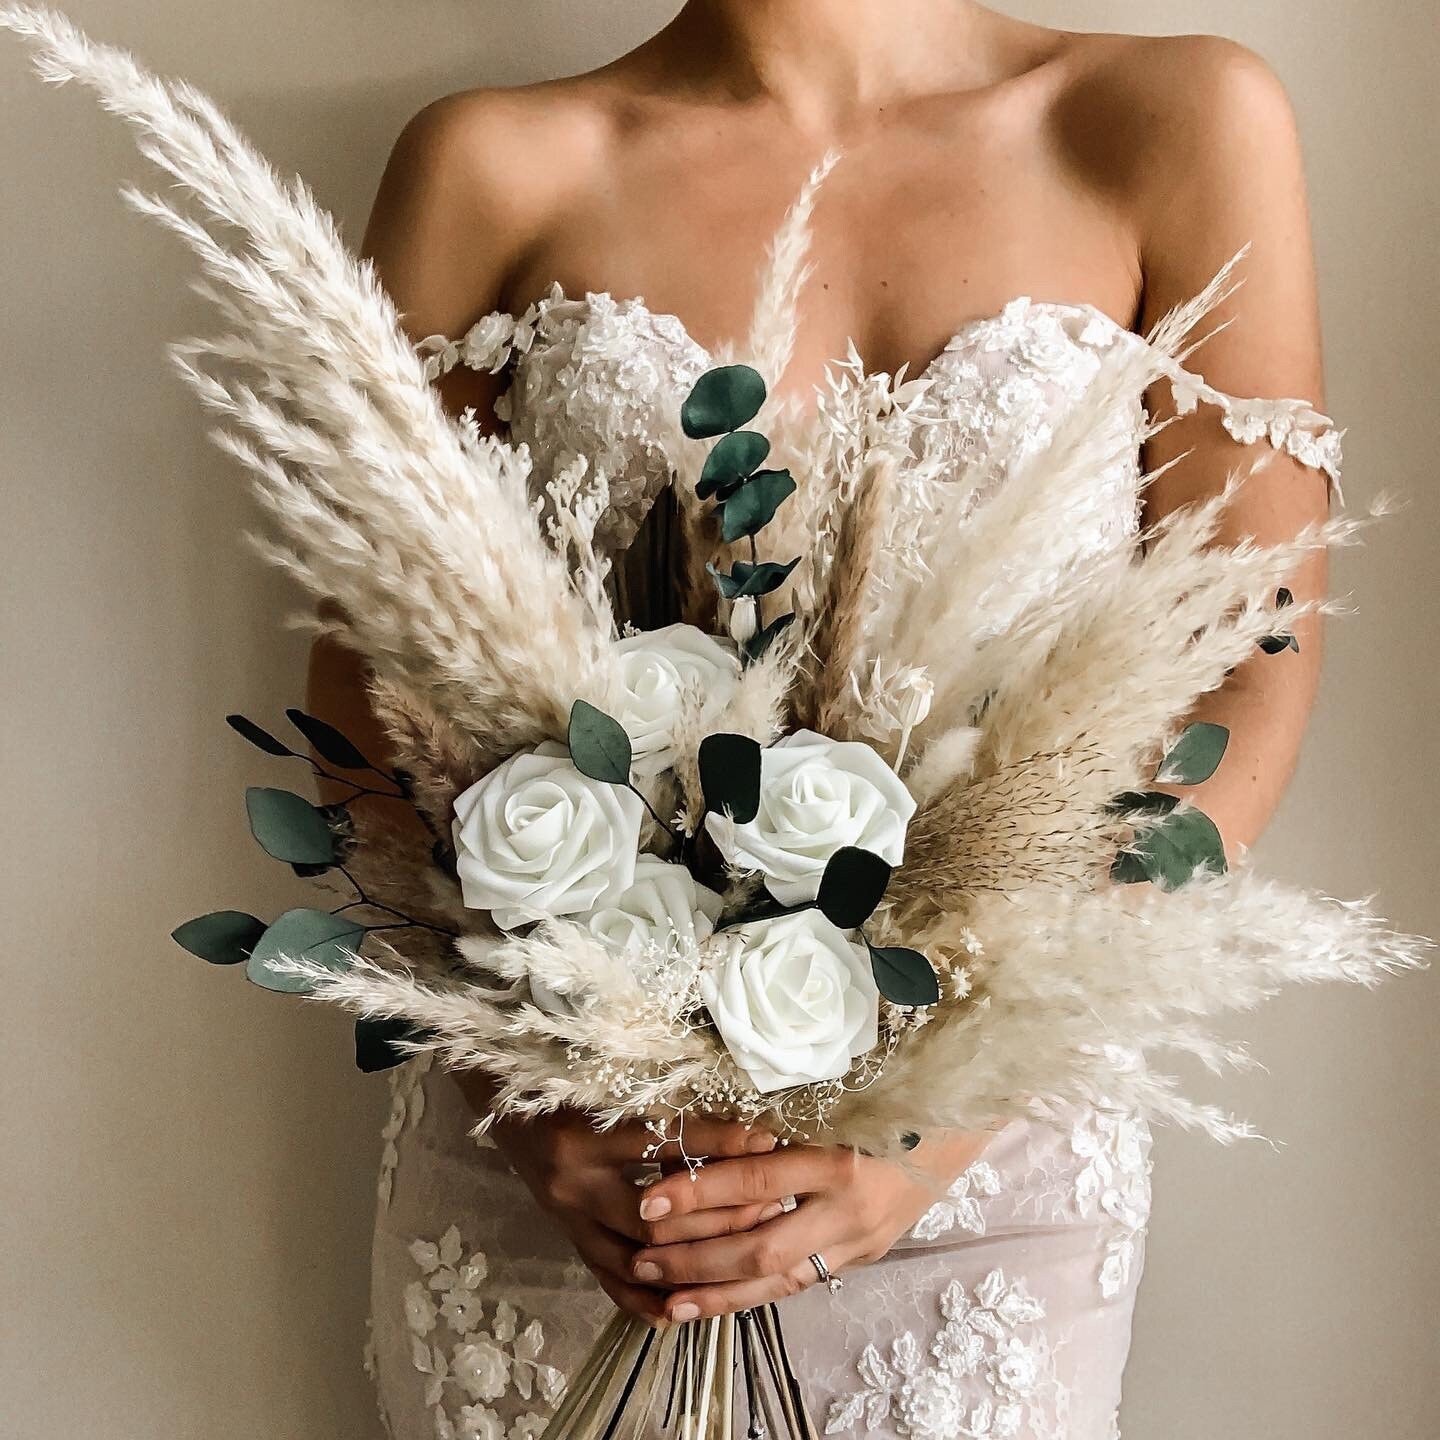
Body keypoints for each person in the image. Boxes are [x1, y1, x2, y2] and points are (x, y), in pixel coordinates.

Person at [307, 3, 1337, 1435]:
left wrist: (952, 1110)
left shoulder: (1170, 122)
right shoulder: (494, 163)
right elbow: (365, 696)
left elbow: (1249, 670)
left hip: (991, 1189)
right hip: (577, 1192)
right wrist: (527, 1089)